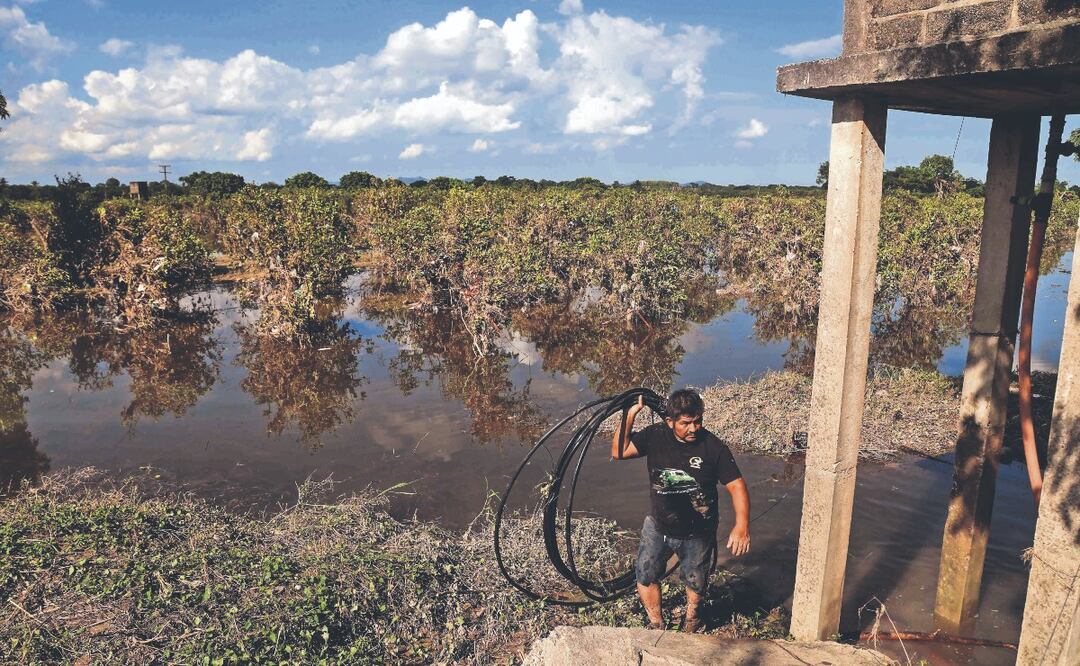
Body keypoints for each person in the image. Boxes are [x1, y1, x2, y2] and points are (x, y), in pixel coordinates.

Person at [611, 388, 750, 632]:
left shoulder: (713, 447)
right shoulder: (655, 436)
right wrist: (630, 414)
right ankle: (657, 623)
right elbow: (619, 452)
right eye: (686, 423)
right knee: (645, 575)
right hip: (658, 524)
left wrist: (741, 525)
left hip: (699, 530)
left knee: (696, 581)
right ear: (670, 421)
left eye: (698, 421)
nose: (693, 429)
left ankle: (692, 618)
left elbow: (736, 485)